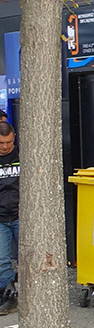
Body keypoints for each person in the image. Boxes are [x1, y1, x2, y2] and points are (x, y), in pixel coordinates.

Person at [0, 122, 18, 315]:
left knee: (28, 258)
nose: (4, 147)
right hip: (1, 217)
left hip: (20, 214)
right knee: (2, 260)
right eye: (1, 143)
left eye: (8, 142)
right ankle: (8, 296)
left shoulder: (22, 156)